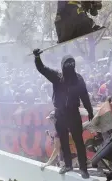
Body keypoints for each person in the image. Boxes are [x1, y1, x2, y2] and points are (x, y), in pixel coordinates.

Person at [33, 49, 94, 178]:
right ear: (62, 65)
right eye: (67, 64)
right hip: (60, 114)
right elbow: (42, 69)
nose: (70, 67)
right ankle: (68, 165)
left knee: (78, 141)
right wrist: (37, 57)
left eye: (72, 64)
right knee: (64, 141)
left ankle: (83, 168)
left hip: (73, 113)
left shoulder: (78, 79)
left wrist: (90, 111)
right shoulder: (57, 76)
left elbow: (84, 96)